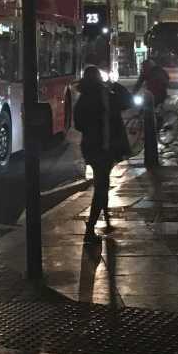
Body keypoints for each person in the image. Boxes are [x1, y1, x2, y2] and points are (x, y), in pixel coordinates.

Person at [74, 66, 131, 244]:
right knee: (101, 187)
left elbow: (78, 124)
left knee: (102, 183)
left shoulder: (83, 97)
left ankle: (106, 219)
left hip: (90, 147)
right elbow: (126, 101)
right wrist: (114, 84)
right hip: (104, 147)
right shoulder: (105, 95)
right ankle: (90, 229)